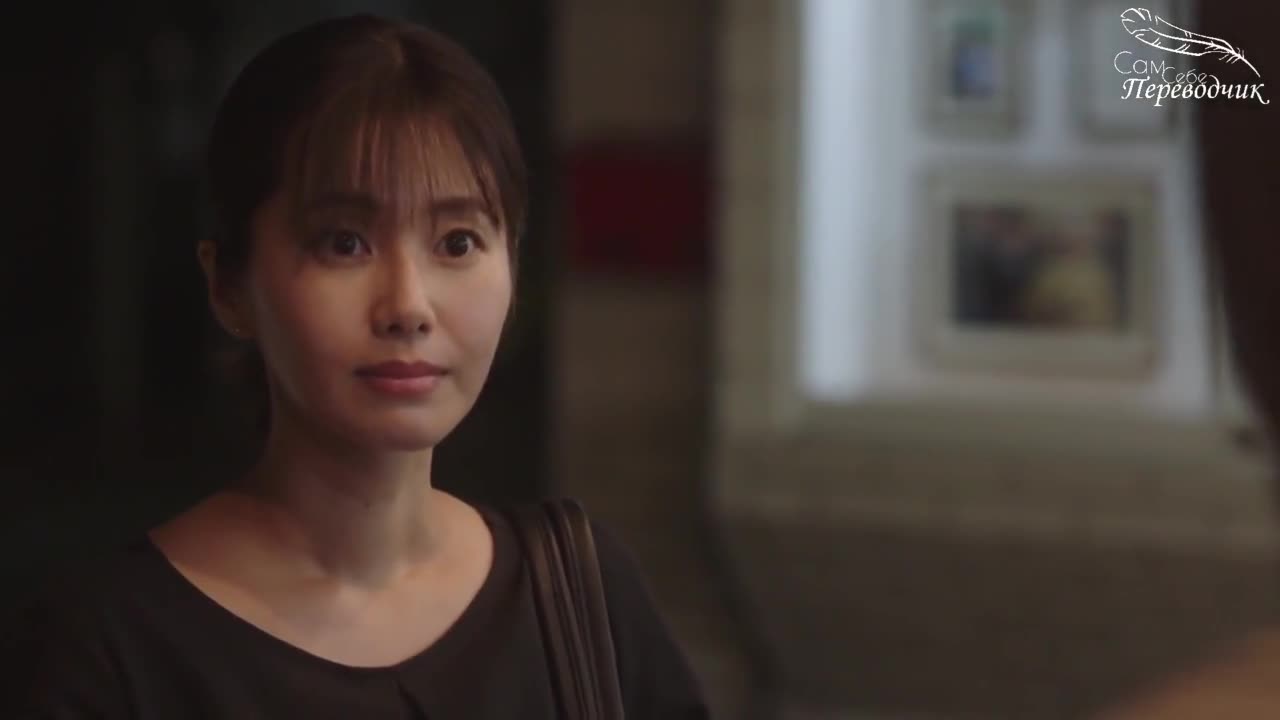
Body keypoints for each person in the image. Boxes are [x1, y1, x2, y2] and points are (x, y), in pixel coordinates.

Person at [2, 15, 708, 719]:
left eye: (457, 242)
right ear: (229, 286)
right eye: (344, 243)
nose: (408, 306)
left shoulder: (578, 597)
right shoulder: (106, 652)